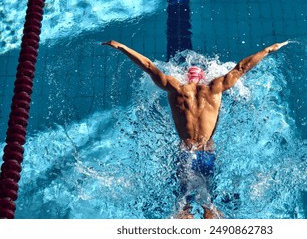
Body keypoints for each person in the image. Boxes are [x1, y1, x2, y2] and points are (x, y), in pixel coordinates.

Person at [102, 40, 289, 219]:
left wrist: (122, 47)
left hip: (186, 153)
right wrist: (268, 50)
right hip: (207, 154)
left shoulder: (176, 89)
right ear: (202, 78)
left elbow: (149, 67)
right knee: (208, 205)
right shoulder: (215, 88)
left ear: (187, 78)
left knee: (184, 207)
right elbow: (241, 67)